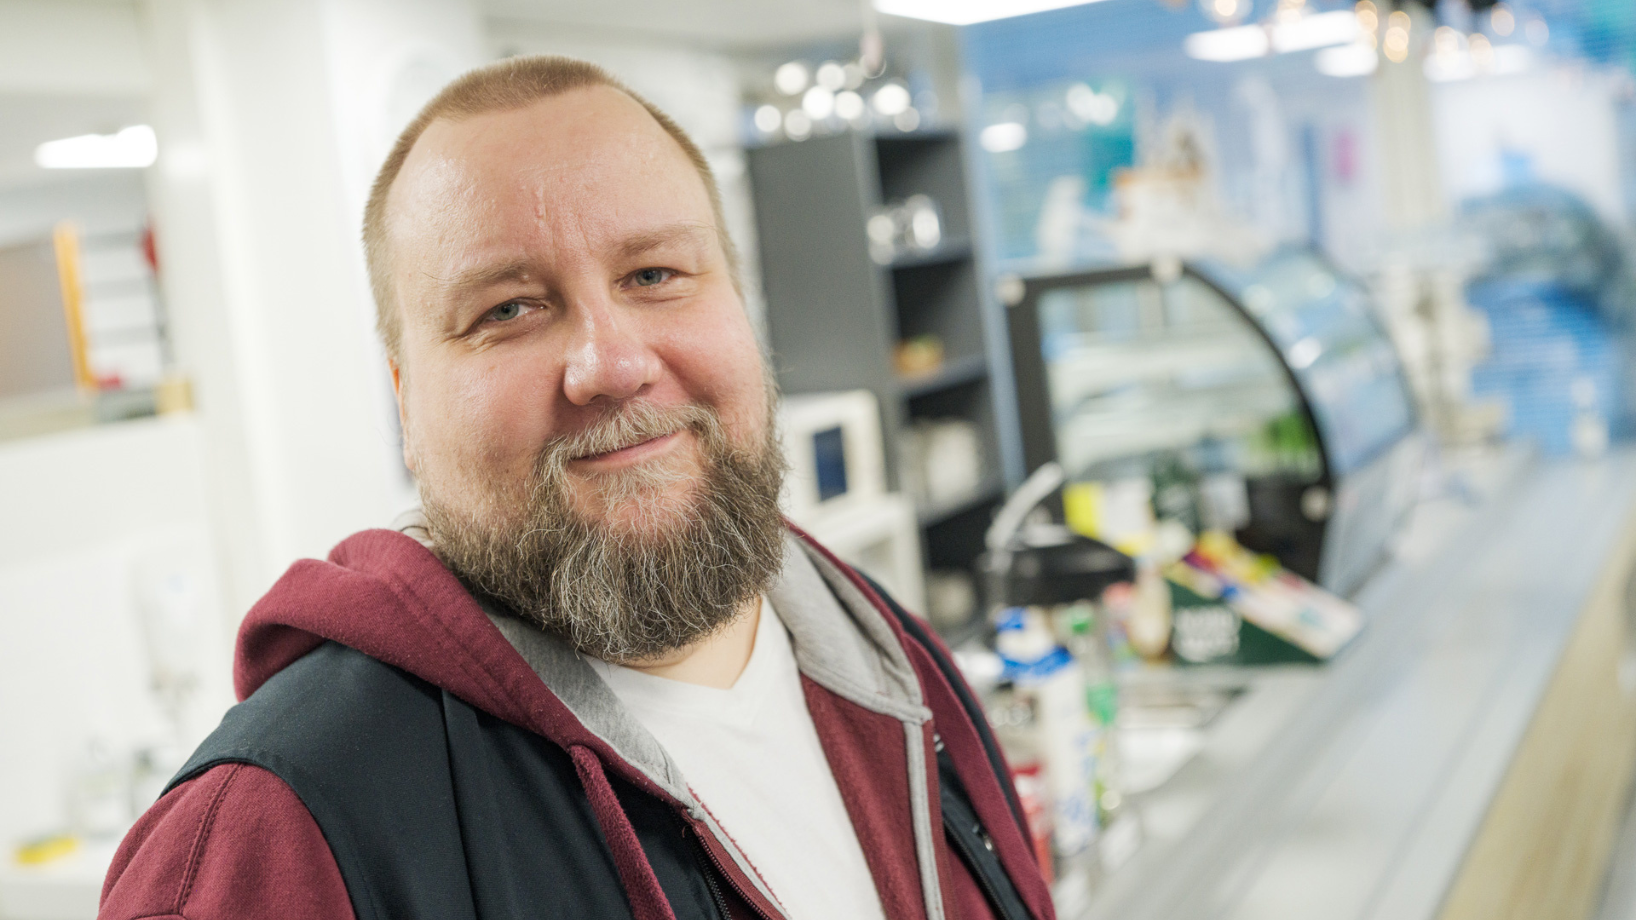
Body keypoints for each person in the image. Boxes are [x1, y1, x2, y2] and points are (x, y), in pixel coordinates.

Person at [98, 55, 1053, 920]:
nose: (612, 364)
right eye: (507, 309)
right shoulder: (273, 833)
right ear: (404, 398)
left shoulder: (888, 658)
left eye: (655, 272)